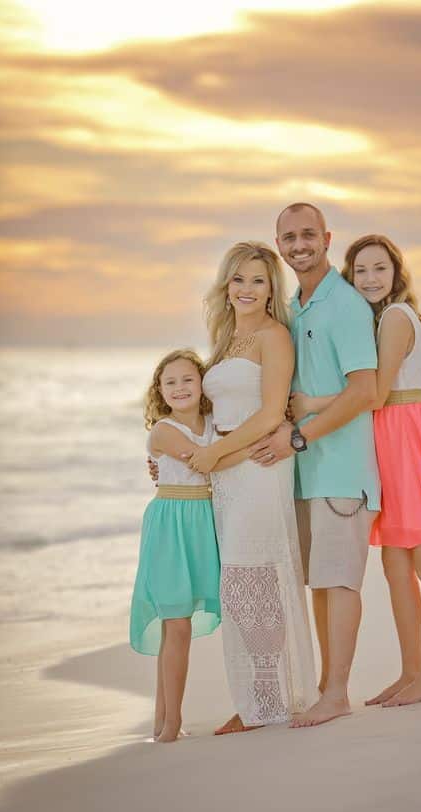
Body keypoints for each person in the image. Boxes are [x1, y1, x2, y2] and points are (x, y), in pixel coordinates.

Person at [291, 233, 421, 708]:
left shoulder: (396, 318)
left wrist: (312, 404)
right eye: (361, 271)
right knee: (396, 565)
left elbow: (373, 393)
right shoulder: (374, 318)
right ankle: (411, 671)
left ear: (396, 273)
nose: (371, 279)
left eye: (380, 269)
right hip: (388, 440)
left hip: (410, 436)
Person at [251, 204, 381, 728]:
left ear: (326, 238)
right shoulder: (293, 306)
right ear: (278, 243)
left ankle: (338, 692)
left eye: (308, 234)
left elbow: (365, 391)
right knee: (320, 585)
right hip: (304, 472)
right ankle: (328, 688)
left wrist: (300, 435)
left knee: (340, 582)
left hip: (340, 469)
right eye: (289, 236)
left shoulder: (345, 304)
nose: (299, 244)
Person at [187, 241, 317, 733]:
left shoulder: (273, 336)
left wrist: (217, 454)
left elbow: (268, 415)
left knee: (252, 583)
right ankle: (262, 699)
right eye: (238, 279)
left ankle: (267, 701)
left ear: (270, 290)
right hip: (225, 474)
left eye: (258, 280)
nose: (246, 289)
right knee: (242, 588)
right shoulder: (223, 343)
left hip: (259, 468)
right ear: (226, 285)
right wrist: (177, 457)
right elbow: (209, 415)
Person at [129, 349, 221, 742]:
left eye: (188, 379)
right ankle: (170, 725)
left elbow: (214, 455)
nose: (180, 388)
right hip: (170, 526)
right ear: (159, 391)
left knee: (176, 629)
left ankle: (163, 720)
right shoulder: (163, 431)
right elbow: (205, 462)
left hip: (204, 524)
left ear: (202, 384)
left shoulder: (216, 423)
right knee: (177, 624)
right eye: (170, 382)